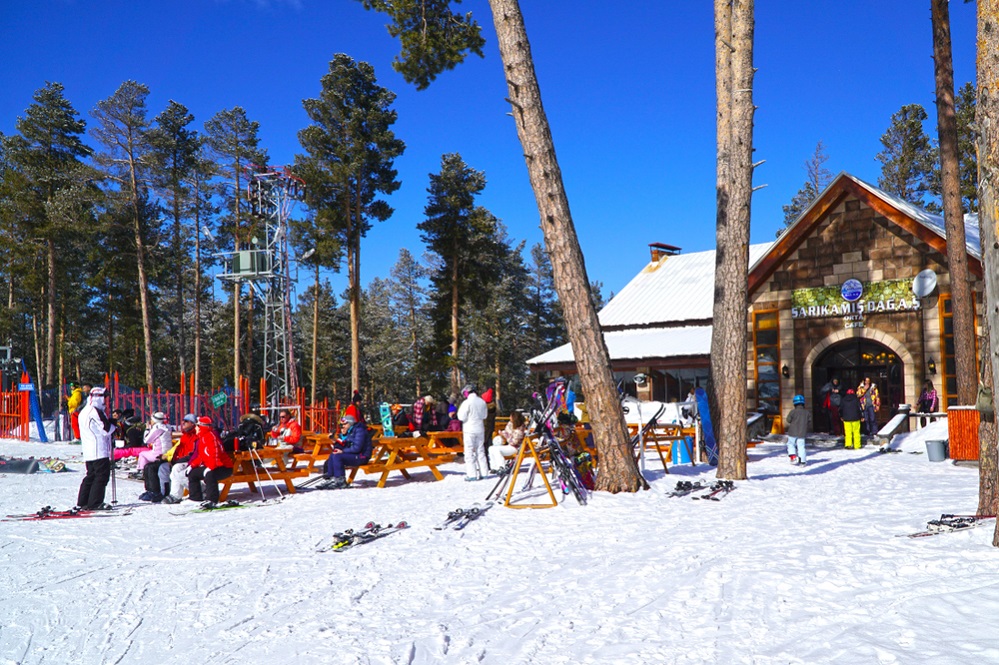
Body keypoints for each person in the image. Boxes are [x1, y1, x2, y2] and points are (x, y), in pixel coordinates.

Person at [75, 386, 115, 510]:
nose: (106, 401)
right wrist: (114, 424)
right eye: (104, 398)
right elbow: (106, 429)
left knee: (91, 475)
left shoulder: (84, 411)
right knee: (101, 476)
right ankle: (95, 502)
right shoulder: (95, 411)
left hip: (89, 449)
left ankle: (83, 501)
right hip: (99, 448)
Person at [186, 416, 233, 507]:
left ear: (202, 427)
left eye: (197, 426)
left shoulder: (211, 437)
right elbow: (201, 456)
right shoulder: (202, 437)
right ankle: (195, 498)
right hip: (212, 465)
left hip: (224, 467)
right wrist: (192, 465)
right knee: (193, 473)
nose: (195, 428)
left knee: (210, 475)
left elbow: (215, 454)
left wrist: (210, 467)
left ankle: (212, 500)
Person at [319, 415, 372, 489]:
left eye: (345, 424)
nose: (343, 426)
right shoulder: (348, 432)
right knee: (333, 455)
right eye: (341, 425)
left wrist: (343, 451)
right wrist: (334, 440)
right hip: (353, 455)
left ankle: (340, 480)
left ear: (350, 423)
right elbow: (342, 446)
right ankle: (331, 478)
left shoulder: (359, 431)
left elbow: (357, 448)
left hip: (362, 456)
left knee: (337, 457)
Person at [161, 414, 199, 504]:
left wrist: (178, 461)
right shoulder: (185, 435)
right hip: (183, 460)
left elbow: (193, 453)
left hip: (192, 461)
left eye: (186, 421)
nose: (183, 423)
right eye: (183, 421)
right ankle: (172, 494)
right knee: (168, 468)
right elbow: (178, 450)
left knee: (177, 470)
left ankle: (199, 490)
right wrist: (172, 458)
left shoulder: (195, 436)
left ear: (192, 423)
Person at [457, 384, 489, 481]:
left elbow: (461, 417)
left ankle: (472, 474)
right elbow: (484, 416)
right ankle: (484, 473)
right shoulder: (482, 402)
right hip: (480, 428)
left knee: (469, 452)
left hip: (469, 429)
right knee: (481, 451)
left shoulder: (466, 403)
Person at [785, 394, 812, 465]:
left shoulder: (793, 412)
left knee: (791, 444)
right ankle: (802, 461)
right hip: (802, 432)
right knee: (801, 446)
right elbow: (809, 421)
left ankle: (793, 457)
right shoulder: (807, 412)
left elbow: (788, 420)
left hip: (792, 432)